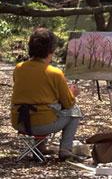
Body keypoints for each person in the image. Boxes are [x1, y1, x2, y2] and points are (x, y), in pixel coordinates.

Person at [11, 28, 81, 161]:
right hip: (42, 124)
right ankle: (65, 149)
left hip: (18, 121)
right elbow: (68, 103)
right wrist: (73, 93)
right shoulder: (54, 72)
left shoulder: (19, 68)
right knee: (74, 112)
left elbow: (31, 93)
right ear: (52, 49)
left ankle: (39, 148)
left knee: (45, 107)